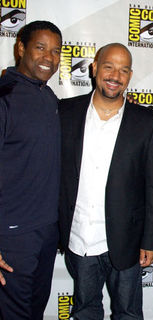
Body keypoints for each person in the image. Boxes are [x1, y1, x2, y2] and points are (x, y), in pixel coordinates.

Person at [58, 43, 153, 320]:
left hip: (127, 241)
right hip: (79, 237)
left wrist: (151, 240)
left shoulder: (149, 122)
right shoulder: (65, 112)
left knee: (128, 313)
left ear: (130, 76)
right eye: (108, 66)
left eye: (124, 70)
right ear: (94, 68)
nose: (115, 75)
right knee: (85, 311)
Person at [0, 21, 62, 319]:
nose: (49, 58)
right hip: (12, 236)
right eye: (40, 48)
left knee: (34, 311)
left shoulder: (49, 98)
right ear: (21, 48)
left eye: (56, 51)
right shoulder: (4, 96)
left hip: (47, 232)